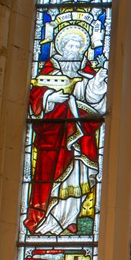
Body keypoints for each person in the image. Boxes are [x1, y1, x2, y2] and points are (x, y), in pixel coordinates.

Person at [25, 22, 108, 236]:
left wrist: (99, 79)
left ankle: (70, 218)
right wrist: (51, 97)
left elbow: (93, 98)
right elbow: (36, 96)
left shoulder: (85, 69)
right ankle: (47, 220)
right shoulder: (49, 68)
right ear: (61, 47)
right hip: (53, 137)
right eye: (69, 46)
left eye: (78, 47)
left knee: (77, 176)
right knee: (48, 177)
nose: (74, 50)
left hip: (81, 136)